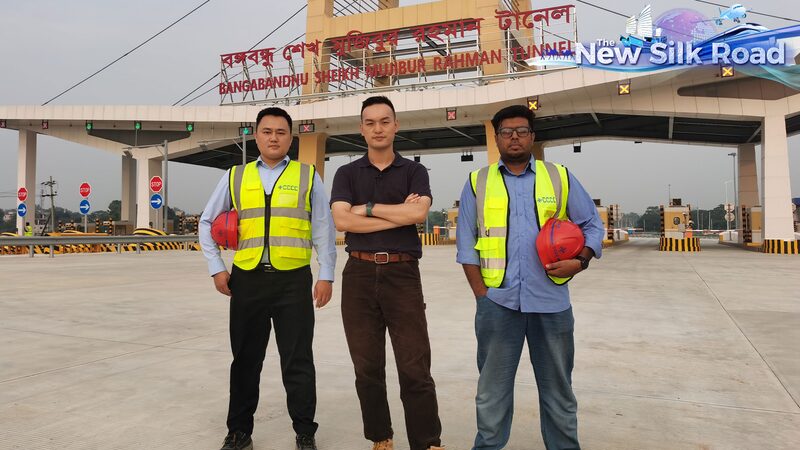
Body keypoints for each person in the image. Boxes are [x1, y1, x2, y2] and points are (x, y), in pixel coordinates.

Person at [456, 105, 604, 450]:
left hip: (551, 304)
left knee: (558, 392)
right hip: (497, 304)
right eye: (507, 132)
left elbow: (592, 225)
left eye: (522, 131)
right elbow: (466, 246)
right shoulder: (477, 183)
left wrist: (580, 262)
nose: (515, 138)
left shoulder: (559, 176)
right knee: (491, 394)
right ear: (497, 138)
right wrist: (482, 295)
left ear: (533, 137)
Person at [198, 107, 336, 450]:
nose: (274, 137)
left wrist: (327, 274)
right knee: (245, 360)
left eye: (281, 132)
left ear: (291, 137)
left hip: (293, 281)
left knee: (298, 360)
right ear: (256, 135)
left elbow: (323, 228)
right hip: (247, 280)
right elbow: (205, 222)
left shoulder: (308, 175)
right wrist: (216, 267)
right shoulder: (234, 176)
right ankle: (239, 433)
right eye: (267, 131)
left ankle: (305, 432)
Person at [330, 96, 444, 450]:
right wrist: (395, 213)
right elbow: (341, 220)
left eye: (384, 121)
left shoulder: (414, 171)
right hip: (359, 274)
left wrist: (365, 209)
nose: (377, 128)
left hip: (402, 274)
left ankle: (427, 443)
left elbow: (417, 216)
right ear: (362, 129)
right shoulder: (346, 173)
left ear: (396, 126)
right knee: (367, 368)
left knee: (414, 367)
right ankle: (380, 438)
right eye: (370, 122)